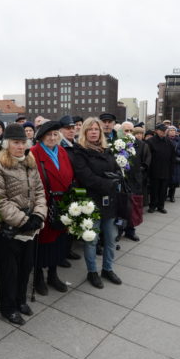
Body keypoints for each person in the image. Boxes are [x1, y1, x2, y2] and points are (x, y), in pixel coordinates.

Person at [0, 124, 47, 325]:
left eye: (23, 142)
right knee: (9, 272)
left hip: (30, 227)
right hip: (8, 229)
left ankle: (20, 300)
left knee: (26, 266)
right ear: (6, 143)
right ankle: (8, 307)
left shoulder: (31, 162)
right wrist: (23, 220)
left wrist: (38, 215)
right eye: (16, 142)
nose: (20, 146)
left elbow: (39, 191)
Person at [72, 117, 122, 289]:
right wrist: (109, 183)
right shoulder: (80, 152)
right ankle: (92, 271)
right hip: (91, 202)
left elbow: (116, 169)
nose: (94, 132)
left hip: (110, 202)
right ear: (84, 132)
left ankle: (107, 269)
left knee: (110, 239)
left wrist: (116, 178)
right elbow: (86, 178)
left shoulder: (106, 150)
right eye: (90, 129)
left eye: (96, 129)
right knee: (91, 240)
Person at [30, 121, 74, 295]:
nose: (52, 137)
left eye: (55, 134)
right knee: (42, 243)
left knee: (58, 242)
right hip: (43, 205)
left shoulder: (62, 151)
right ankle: (38, 276)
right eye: (49, 135)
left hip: (61, 205)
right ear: (41, 137)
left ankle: (53, 275)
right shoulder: (33, 153)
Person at [58, 115, 81, 262]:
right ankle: (61, 254)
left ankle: (68, 249)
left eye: (73, 128)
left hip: (76, 187)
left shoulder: (76, 144)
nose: (71, 131)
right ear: (61, 130)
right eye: (67, 128)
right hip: (64, 189)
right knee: (63, 223)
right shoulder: (60, 146)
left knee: (72, 220)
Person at [123, 126, 150, 241]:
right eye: (126, 131)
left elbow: (146, 161)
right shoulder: (117, 144)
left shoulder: (142, 145)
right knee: (121, 206)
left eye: (130, 131)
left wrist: (138, 172)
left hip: (135, 180)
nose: (129, 133)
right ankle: (118, 230)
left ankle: (130, 230)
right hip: (121, 180)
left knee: (133, 206)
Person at [145, 124, 175, 213]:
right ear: (156, 131)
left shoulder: (169, 142)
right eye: (161, 130)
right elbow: (147, 157)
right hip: (154, 170)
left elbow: (173, 156)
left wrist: (171, 169)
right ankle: (152, 206)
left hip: (166, 169)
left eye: (164, 131)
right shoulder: (150, 142)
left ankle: (161, 206)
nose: (163, 132)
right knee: (154, 189)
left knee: (163, 190)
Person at [166, 126, 180, 203]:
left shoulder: (179, 140)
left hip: (175, 163)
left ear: (175, 132)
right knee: (166, 180)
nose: (172, 132)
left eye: (173, 130)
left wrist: (176, 152)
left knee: (174, 181)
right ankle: (164, 195)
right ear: (167, 132)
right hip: (166, 163)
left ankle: (172, 196)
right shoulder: (165, 139)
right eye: (170, 130)